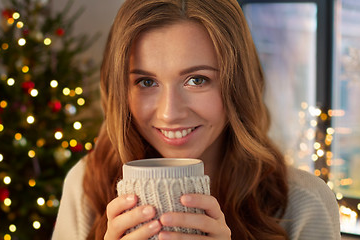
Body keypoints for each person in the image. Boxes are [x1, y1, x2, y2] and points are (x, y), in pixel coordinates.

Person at [52, 0, 341, 239]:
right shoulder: (87, 184)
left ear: (237, 85)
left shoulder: (303, 204)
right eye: (145, 82)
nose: (169, 113)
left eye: (197, 79)